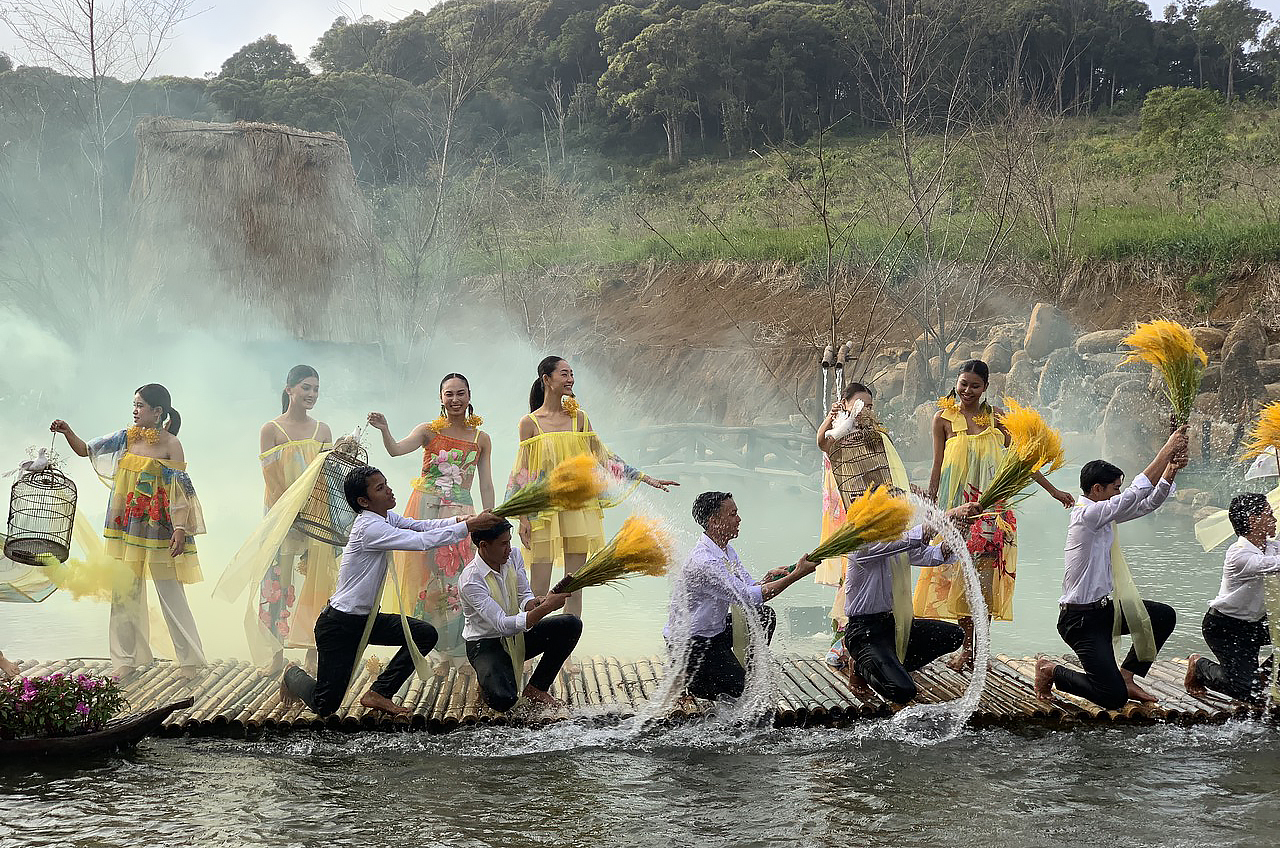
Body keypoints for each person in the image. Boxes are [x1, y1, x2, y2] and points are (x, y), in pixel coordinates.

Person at [281, 466, 500, 717]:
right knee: (325, 705)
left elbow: (421, 527)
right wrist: (470, 527)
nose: (389, 490)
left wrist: (465, 520)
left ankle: (380, 693)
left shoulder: (384, 517)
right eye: (380, 488)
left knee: (424, 634)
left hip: (367, 619)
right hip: (340, 625)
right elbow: (420, 543)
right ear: (364, 501)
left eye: (386, 484)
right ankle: (292, 674)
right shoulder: (369, 528)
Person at [913, 359, 1075, 670]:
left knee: (982, 582)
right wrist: (931, 509)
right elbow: (937, 467)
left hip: (990, 511)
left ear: (986, 387)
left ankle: (978, 650)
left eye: (975, 385)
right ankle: (966, 648)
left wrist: (1053, 490)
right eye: (963, 384)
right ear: (956, 382)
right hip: (957, 509)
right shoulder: (943, 420)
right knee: (958, 575)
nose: (968, 390)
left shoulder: (997, 418)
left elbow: (1021, 460)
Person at [51, 384, 207, 678]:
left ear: (157, 411)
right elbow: (87, 450)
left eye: (140, 406)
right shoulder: (125, 437)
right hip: (126, 525)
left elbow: (181, 490)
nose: (135, 411)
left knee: (170, 592)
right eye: (133, 405)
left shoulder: (171, 444)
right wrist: (67, 430)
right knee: (125, 590)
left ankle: (190, 661)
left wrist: (181, 528)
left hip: (160, 526)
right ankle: (125, 659)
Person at [511, 356, 677, 620]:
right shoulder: (529, 423)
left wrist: (643, 477)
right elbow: (523, 474)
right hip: (543, 510)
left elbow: (604, 457)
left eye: (571, 374)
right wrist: (523, 518)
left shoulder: (580, 419)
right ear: (547, 379)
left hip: (579, 508)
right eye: (564, 374)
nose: (570, 380)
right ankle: (527, 655)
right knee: (537, 588)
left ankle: (564, 653)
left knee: (574, 586)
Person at [1035, 427, 1189, 709]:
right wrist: (1165, 451)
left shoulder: (1103, 515)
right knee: (1111, 697)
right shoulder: (1088, 515)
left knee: (1163, 617)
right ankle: (1051, 671)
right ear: (1097, 490)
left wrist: (1170, 470)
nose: (1119, 493)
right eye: (1114, 488)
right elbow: (1133, 495)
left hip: (1106, 611)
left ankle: (1128, 675)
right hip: (1080, 622)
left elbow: (1147, 503)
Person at [368, 373, 495, 669]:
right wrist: (385, 429)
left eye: (460, 393)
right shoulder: (428, 431)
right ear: (441, 398)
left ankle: (459, 649)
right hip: (425, 506)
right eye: (449, 394)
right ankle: (434, 650)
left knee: (457, 577)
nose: (455, 400)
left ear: (469, 396)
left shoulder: (481, 439)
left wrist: (488, 518)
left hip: (461, 510)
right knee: (427, 577)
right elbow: (396, 450)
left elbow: (485, 483)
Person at [665, 491, 816, 701]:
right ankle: (691, 680)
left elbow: (748, 587)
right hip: (692, 646)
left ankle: (746, 673)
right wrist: (797, 575)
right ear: (714, 521)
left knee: (765, 615)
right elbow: (747, 597)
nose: (739, 519)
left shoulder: (726, 551)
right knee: (742, 694)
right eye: (733, 514)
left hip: (714, 634)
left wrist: (768, 578)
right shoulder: (705, 562)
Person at [842, 502, 978, 704]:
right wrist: (950, 515)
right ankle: (862, 667)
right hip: (864, 632)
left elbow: (934, 555)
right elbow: (910, 539)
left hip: (891, 624)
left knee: (954, 636)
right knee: (902, 691)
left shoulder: (893, 544)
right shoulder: (862, 545)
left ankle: (894, 667)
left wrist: (958, 530)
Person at [256, 365, 336, 672]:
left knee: (316, 583)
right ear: (289, 389)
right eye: (305, 388)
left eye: (315, 389)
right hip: (282, 515)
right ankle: (276, 656)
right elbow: (271, 479)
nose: (311, 394)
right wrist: (288, 514)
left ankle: (313, 653)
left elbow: (327, 475)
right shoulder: (271, 430)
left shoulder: (323, 431)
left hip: (317, 515)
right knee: (277, 581)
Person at [459, 519, 581, 712]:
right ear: (483, 546)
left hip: (516, 638)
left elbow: (524, 596)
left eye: (509, 541)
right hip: (486, 644)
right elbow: (501, 624)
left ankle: (537, 688)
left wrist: (537, 603)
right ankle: (488, 676)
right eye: (503, 544)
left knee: (571, 624)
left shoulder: (513, 556)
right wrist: (545, 608)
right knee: (503, 700)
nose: (509, 548)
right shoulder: (470, 579)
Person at [1184, 493, 1280, 702]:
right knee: (1247, 692)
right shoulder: (1238, 555)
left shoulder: (1273, 548)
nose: (1274, 519)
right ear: (1253, 519)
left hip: (1258, 624)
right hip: (1226, 628)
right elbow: (1272, 565)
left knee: (1255, 683)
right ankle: (1199, 666)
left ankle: (1263, 675)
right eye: (1269, 514)